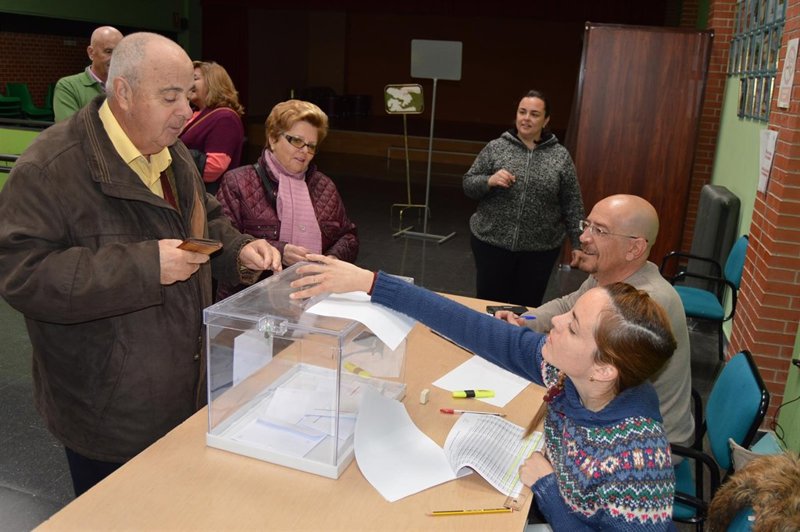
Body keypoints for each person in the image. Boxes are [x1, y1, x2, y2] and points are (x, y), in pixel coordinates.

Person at [0, 32, 282, 497]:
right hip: (108, 412)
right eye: (169, 97)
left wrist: (238, 251)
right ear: (123, 93)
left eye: (187, 96)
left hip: (186, 391)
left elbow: (206, 220)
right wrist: (145, 266)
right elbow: (22, 275)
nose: (186, 112)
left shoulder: (172, 153)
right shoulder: (49, 169)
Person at [289, 256, 677, 530]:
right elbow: (477, 330)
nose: (555, 321)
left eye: (572, 327)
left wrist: (548, 488)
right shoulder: (571, 376)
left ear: (604, 369)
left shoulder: (636, 463)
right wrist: (372, 284)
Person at [496, 194, 695, 453]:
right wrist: (525, 321)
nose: (584, 237)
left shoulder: (645, 304)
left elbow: (595, 377)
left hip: (645, 446)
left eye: (599, 230)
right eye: (587, 225)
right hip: (606, 415)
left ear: (634, 248)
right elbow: (567, 305)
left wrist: (526, 347)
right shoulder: (607, 276)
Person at [215, 99, 358, 301]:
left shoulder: (324, 186)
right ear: (273, 138)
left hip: (313, 299)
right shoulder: (237, 182)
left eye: (311, 146)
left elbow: (348, 236)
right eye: (296, 141)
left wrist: (332, 258)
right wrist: (280, 251)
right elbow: (223, 243)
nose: (305, 151)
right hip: (249, 302)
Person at [463, 89, 584, 307]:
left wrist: (578, 243)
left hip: (539, 252)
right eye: (522, 112)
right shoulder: (496, 147)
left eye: (534, 114)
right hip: (492, 245)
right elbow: (468, 184)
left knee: (525, 310)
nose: (526, 118)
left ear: (546, 120)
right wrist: (489, 180)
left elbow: (572, 203)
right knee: (490, 307)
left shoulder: (560, 156)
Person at [179, 60, 245, 195]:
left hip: (207, 199)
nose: (188, 83)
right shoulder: (193, 113)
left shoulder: (225, 118)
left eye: (195, 78)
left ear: (213, 82)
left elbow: (213, 169)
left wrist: (171, 156)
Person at [53, 25, 123, 122]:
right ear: (91, 53)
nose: (115, 58)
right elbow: (68, 128)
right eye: (108, 51)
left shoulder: (129, 87)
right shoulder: (69, 86)